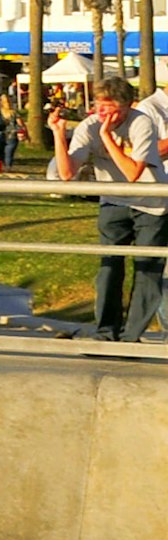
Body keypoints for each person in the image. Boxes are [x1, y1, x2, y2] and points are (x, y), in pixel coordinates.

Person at [58, 74, 166, 342]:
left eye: (109, 106)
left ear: (126, 106)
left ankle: (132, 336)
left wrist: (106, 138)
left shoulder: (141, 122)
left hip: (152, 205)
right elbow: (67, 173)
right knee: (108, 267)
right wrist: (58, 135)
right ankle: (106, 331)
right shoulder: (88, 126)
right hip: (113, 203)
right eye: (98, 105)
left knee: (147, 270)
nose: (101, 111)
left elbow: (132, 173)